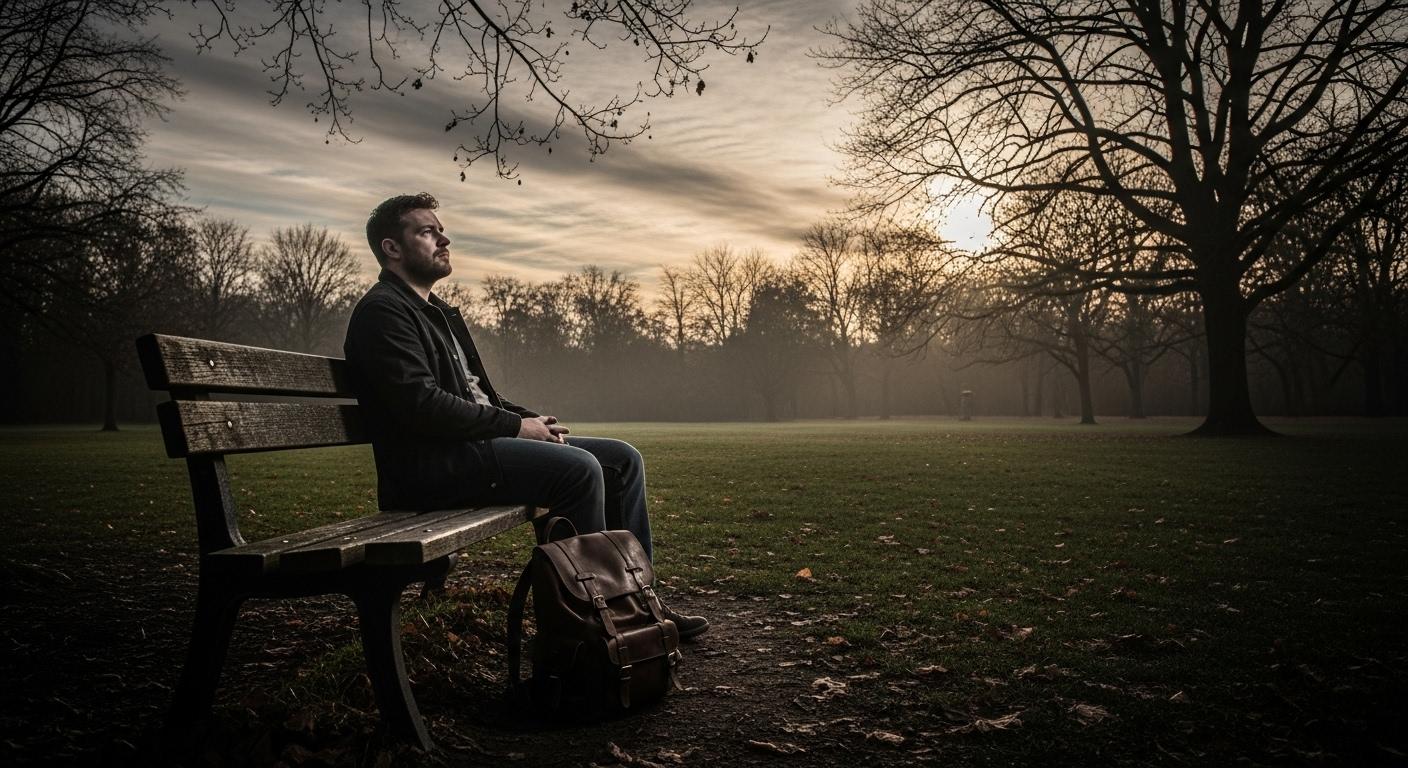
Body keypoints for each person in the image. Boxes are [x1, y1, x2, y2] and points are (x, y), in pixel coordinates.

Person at [343, 192, 708, 638]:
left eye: (440, 229)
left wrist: (534, 422)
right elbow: (422, 406)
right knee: (578, 471)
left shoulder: (435, 313)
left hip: (470, 449)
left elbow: (482, 398)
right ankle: (585, 627)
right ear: (392, 248)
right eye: (427, 231)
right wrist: (517, 427)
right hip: (432, 467)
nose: (444, 238)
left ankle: (639, 604)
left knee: (622, 459)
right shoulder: (383, 312)